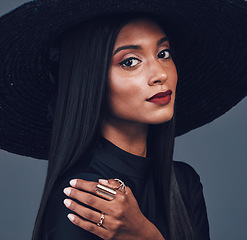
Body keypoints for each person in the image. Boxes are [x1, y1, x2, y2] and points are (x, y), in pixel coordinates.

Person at [0, 1, 246, 240]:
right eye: (130, 61)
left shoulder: (184, 183)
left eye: (164, 53)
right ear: (91, 81)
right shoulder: (82, 200)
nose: (161, 74)